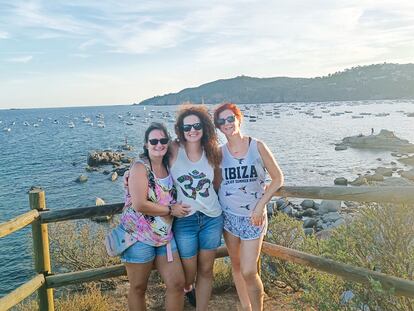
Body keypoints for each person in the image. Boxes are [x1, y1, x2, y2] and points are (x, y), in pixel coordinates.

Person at [213, 102, 284, 311]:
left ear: (238, 119)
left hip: (254, 217)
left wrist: (260, 206)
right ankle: (246, 307)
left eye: (230, 118)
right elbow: (214, 182)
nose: (226, 124)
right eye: (221, 121)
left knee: (249, 271)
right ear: (218, 126)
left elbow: (278, 178)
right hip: (229, 217)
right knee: (236, 266)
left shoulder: (257, 146)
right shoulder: (219, 153)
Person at [120, 122, 189, 311]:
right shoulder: (139, 168)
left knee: (177, 284)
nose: (159, 144)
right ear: (146, 144)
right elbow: (139, 204)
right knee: (138, 287)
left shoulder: (169, 165)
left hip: (164, 237)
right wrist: (170, 210)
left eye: (163, 140)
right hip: (138, 237)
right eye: (154, 141)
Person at [169, 104, 223, 310]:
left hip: (211, 217)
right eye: (187, 127)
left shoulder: (212, 151)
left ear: (204, 126)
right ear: (180, 130)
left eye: (196, 125)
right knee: (187, 273)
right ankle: (188, 288)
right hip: (185, 220)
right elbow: (154, 169)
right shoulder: (174, 149)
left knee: (207, 270)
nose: (192, 130)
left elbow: (216, 183)